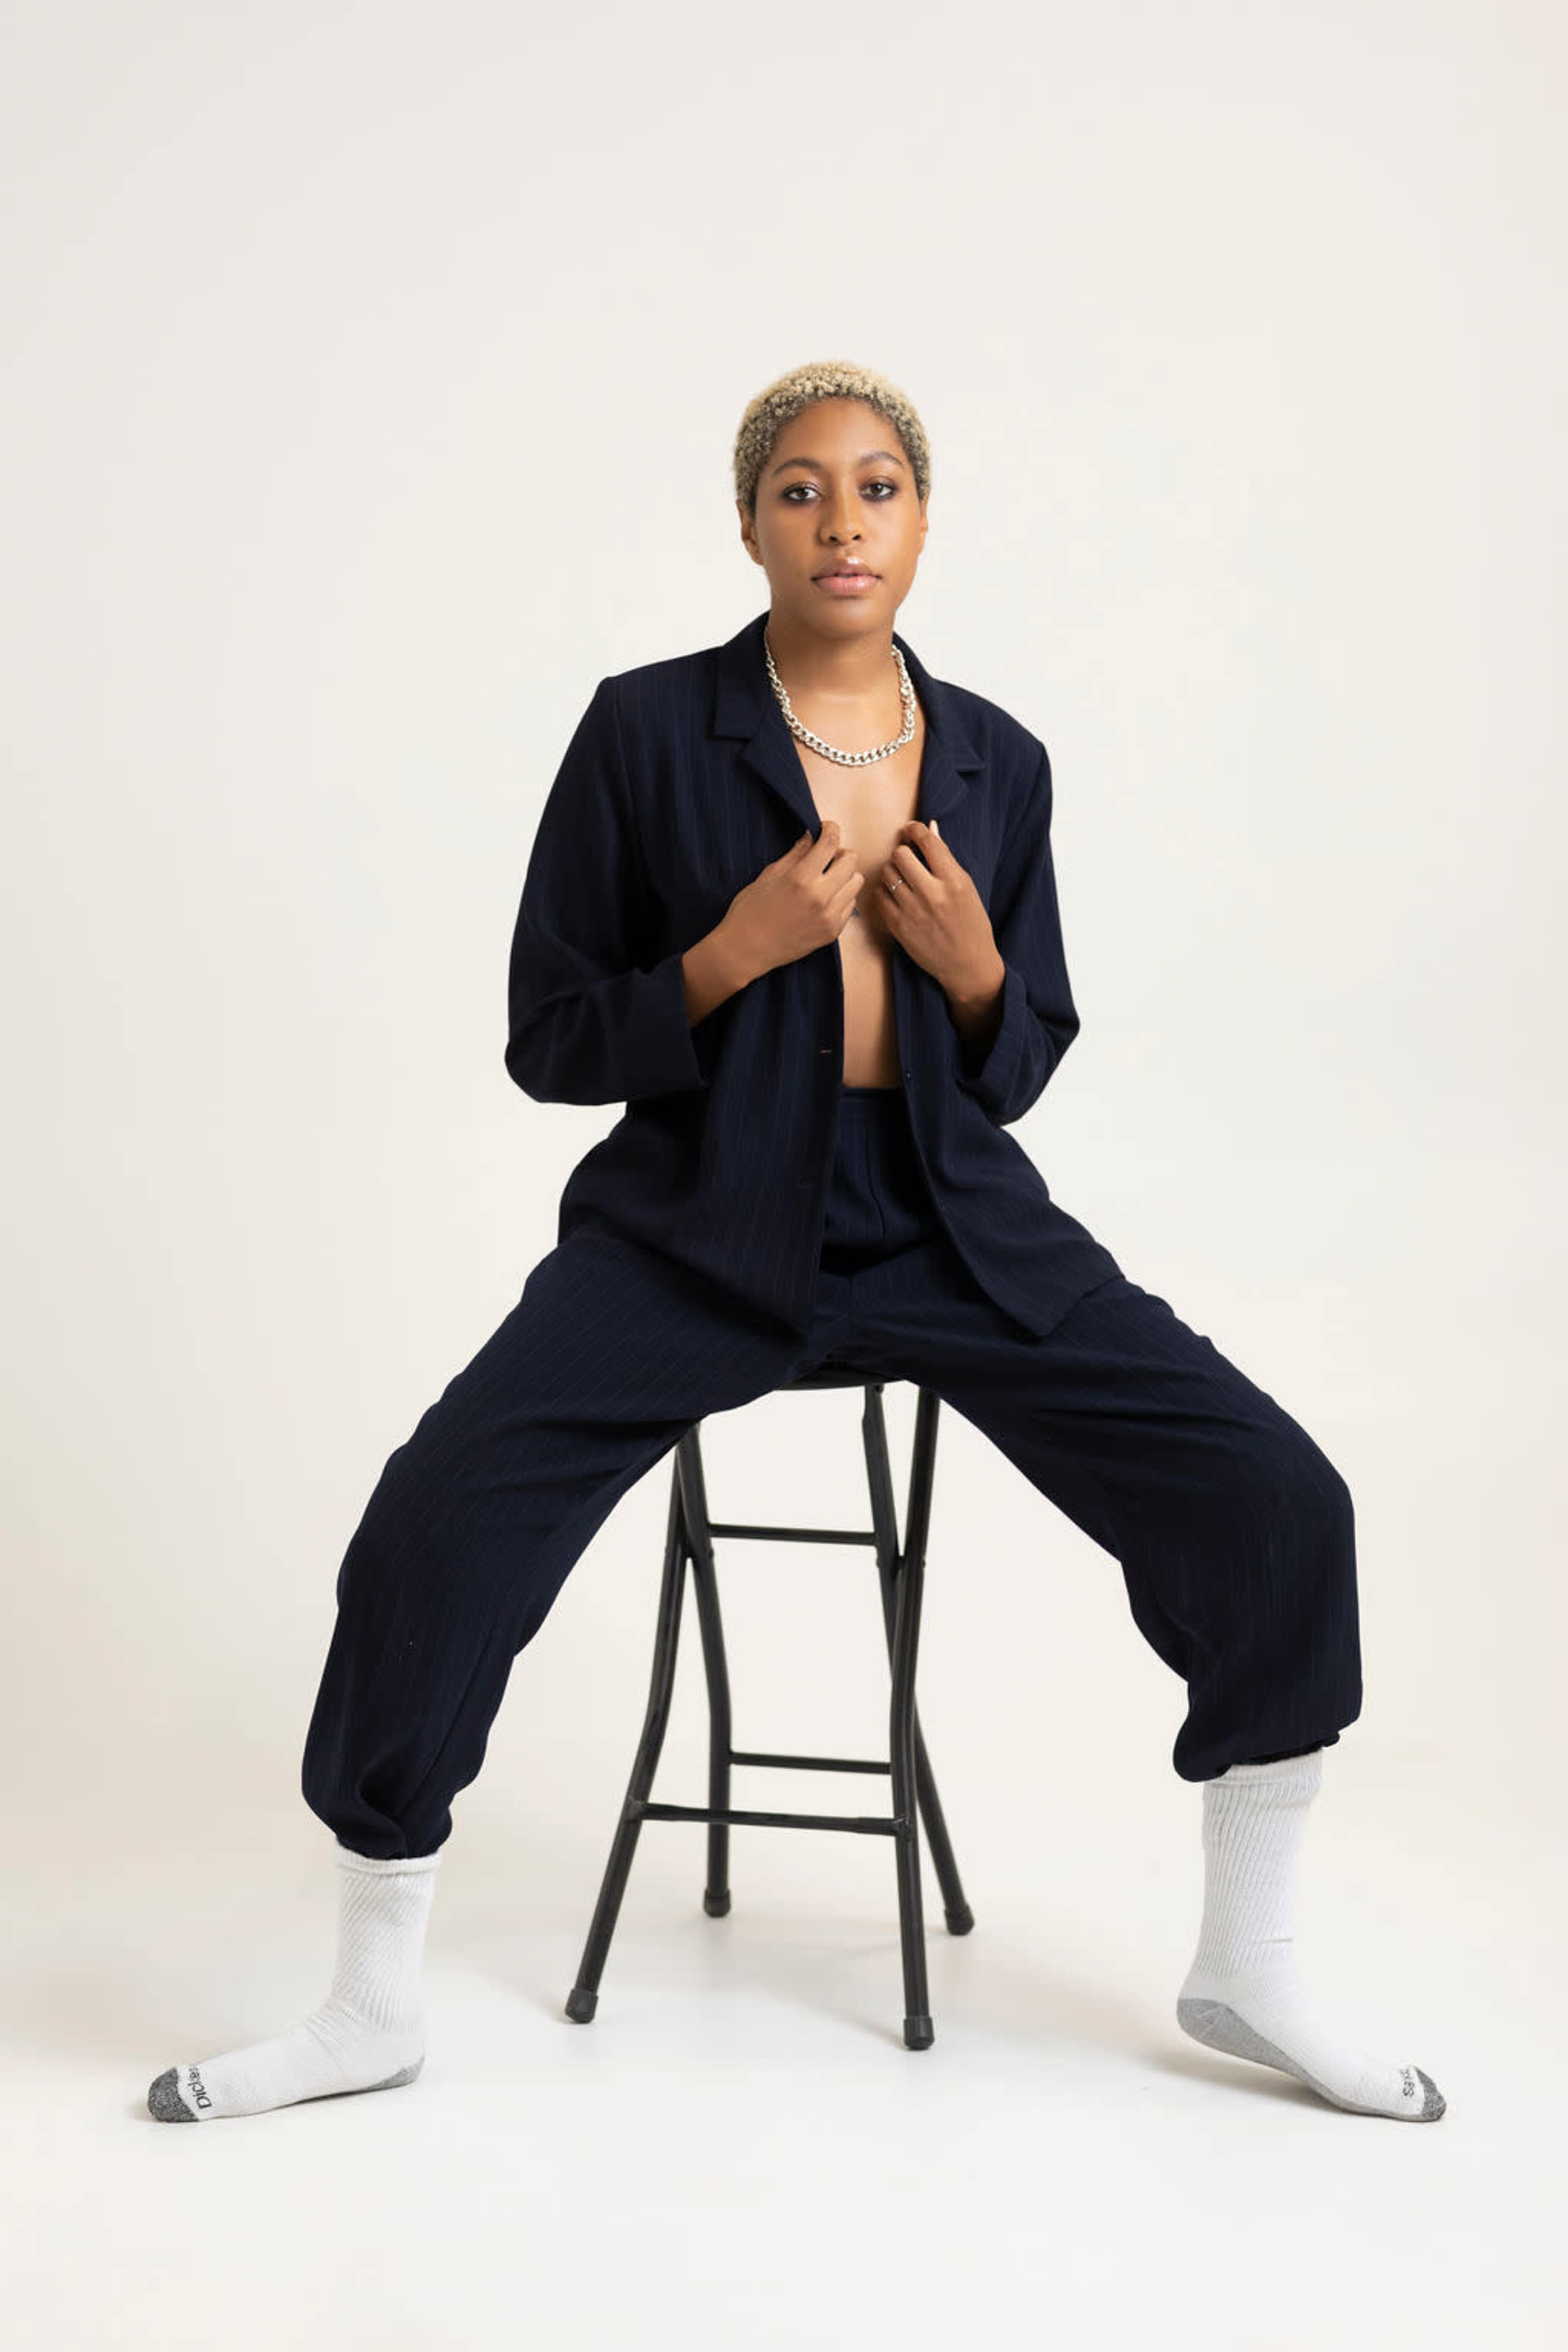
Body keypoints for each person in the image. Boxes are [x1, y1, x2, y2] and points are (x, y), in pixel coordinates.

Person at [147, 359, 1444, 2126]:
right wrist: (730, 952)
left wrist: (979, 967)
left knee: (1281, 1500)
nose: (844, 521)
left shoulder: (999, 757)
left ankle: (1253, 1962)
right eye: (804, 490)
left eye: (881, 487)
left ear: (925, 517)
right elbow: (549, 1037)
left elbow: (1024, 1052)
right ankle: (372, 1998)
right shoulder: (644, 728)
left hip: (948, 1223)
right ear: (750, 520)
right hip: (691, 1227)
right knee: (431, 1527)